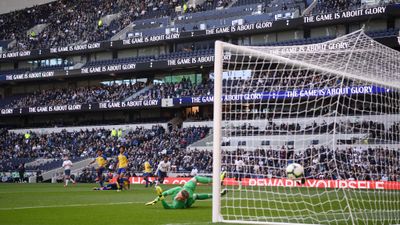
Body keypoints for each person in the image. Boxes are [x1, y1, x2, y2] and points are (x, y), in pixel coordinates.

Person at [145, 173, 227, 209]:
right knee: (196, 184)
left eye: (180, 198)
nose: (178, 198)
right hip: (187, 188)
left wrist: (160, 198)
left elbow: (167, 207)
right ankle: (218, 192)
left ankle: (218, 181)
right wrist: (156, 200)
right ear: (180, 192)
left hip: (189, 197)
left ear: (183, 199)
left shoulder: (178, 204)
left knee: (194, 196)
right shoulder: (178, 189)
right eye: (178, 196)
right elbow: (165, 193)